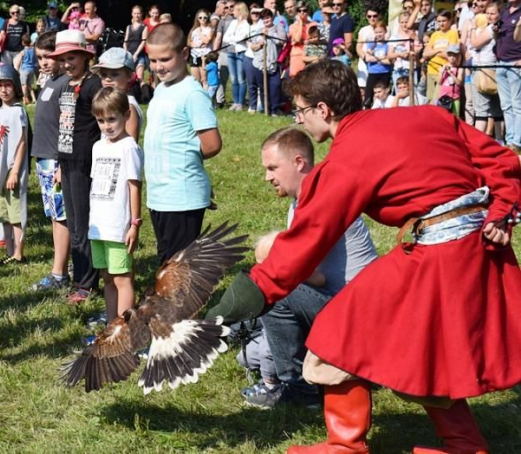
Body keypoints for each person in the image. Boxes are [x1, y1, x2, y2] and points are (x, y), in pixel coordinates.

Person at [207, 59, 521, 453]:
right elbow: (502, 160)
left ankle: (346, 444)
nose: (300, 120)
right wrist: (502, 211)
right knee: (421, 346)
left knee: (338, 328)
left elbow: (308, 239)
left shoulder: (347, 157)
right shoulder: (428, 115)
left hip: (438, 259)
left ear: (323, 110)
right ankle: (464, 444)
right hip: (478, 249)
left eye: (302, 111)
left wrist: (245, 296)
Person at [243, 126, 377, 409]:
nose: (267, 177)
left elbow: (309, 275)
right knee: (250, 352)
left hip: (358, 316)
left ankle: (299, 388)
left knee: (275, 288)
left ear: (299, 162)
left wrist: (272, 259)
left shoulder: (324, 199)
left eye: (272, 167)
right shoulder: (302, 200)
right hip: (336, 303)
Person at [145, 23, 222, 265]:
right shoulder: (162, 89)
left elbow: (211, 144)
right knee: (167, 261)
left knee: (177, 269)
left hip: (181, 195)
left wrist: (185, 159)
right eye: (153, 60)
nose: (158, 67)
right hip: (159, 193)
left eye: (165, 59)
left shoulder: (192, 93)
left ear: (185, 54)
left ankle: (180, 305)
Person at [51, 30, 102, 304]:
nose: (67, 64)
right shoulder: (68, 84)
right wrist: (60, 164)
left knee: (82, 225)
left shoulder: (94, 86)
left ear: (84, 56)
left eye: (72, 58)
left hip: (85, 163)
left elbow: (106, 119)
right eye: (63, 59)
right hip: (67, 161)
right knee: (72, 223)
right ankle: (81, 273)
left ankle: (86, 284)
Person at [88, 87, 143, 322]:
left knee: (123, 279)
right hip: (98, 225)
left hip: (118, 226)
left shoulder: (129, 147)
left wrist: (134, 224)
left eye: (112, 119)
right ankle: (112, 328)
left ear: (126, 114)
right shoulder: (98, 147)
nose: (107, 126)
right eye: (101, 120)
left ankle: (125, 332)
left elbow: (135, 186)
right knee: (107, 277)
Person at [30, 31, 71, 292]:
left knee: (62, 217)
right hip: (44, 159)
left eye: (48, 57)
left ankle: (60, 273)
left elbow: (68, 128)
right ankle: (62, 267)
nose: (44, 62)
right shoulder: (48, 82)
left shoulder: (66, 83)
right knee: (54, 216)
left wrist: (62, 163)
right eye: (39, 58)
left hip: (56, 161)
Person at [0, 65, 28, 264]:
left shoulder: (17, 112)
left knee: (16, 214)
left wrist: (14, 171)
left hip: (12, 172)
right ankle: (9, 252)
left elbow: (21, 143)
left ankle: (19, 253)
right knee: (3, 214)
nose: (3, 90)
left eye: (7, 85)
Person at [92, 47, 143, 141]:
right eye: (104, 75)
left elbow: (129, 144)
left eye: (114, 74)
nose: (107, 79)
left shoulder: (128, 105)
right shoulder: (109, 101)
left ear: (130, 76)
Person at [471, 4, 503, 140]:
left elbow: (475, 43)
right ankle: (500, 140)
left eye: (492, 13)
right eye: (487, 13)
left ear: (499, 14)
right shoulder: (497, 27)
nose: (489, 16)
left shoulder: (492, 28)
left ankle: (477, 142)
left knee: (482, 109)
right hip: (493, 67)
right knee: (496, 109)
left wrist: (472, 27)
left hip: (485, 69)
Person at [495, 0, 521, 152]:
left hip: (516, 64)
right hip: (501, 63)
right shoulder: (504, 11)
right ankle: (510, 140)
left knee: (518, 105)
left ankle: (518, 142)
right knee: (506, 106)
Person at [422, 10, 458, 104]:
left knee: (438, 98)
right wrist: (439, 50)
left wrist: (433, 52)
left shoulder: (452, 33)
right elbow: (425, 53)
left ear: (450, 21)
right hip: (431, 69)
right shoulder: (434, 34)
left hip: (443, 70)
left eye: (444, 21)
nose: (441, 24)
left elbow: (450, 55)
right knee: (430, 98)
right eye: (439, 21)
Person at [223, 2, 250, 110]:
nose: (232, 11)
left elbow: (242, 37)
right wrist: (234, 39)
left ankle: (240, 102)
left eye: (234, 9)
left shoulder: (246, 24)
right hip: (231, 52)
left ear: (239, 10)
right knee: (233, 78)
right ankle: (235, 102)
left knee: (241, 78)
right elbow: (225, 37)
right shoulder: (233, 22)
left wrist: (233, 39)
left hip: (241, 52)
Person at [363, 21, 393, 108]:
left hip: (385, 72)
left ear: (385, 32)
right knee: (369, 94)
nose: (378, 34)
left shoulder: (388, 45)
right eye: (376, 32)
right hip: (373, 73)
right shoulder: (371, 44)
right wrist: (382, 58)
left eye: (380, 32)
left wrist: (375, 57)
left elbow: (389, 61)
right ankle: (367, 108)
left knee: (384, 94)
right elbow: (368, 58)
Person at [212, 0, 235, 108]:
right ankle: (220, 101)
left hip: (238, 52)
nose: (229, 9)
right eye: (226, 7)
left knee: (237, 79)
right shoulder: (223, 21)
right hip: (224, 52)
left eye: (232, 6)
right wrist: (215, 52)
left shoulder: (243, 20)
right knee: (222, 78)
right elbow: (218, 37)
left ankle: (237, 101)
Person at [355, 5, 380, 92]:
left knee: (378, 89)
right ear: (366, 17)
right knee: (363, 90)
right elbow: (358, 47)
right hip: (364, 63)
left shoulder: (385, 29)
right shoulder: (363, 30)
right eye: (369, 16)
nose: (372, 18)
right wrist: (365, 58)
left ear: (379, 16)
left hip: (379, 64)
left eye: (375, 16)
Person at [288, 2, 316, 77]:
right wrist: (300, 23)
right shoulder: (292, 26)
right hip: (296, 57)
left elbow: (316, 40)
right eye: (299, 11)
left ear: (308, 12)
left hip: (310, 56)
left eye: (304, 10)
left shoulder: (313, 25)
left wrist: (305, 42)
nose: (302, 12)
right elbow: (297, 39)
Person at [124, 5, 149, 84]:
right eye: (135, 13)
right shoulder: (129, 27)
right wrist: (126, 52)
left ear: (141, 14)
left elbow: (143, 41)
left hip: (139, 55)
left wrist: (136, 54)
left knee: (139, 77)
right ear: (132, 14)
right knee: (127, 77)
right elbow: (125, 41)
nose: (137, 15)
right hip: (129, 54)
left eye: (138, 13)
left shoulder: (144, 27)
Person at [189, 9, 214, 84]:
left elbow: (207, 40)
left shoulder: (210, 29)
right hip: (194, 55)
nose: (202, 19)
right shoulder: (193, 29)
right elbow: (189, 41)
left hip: (205, 55)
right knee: (196, 80)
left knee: (204, 79)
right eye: (200, 17)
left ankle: (206, 94)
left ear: (207, 18)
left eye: (204, 17)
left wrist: (200, 33)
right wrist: (194, 44)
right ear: (197, 18)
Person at [438, 44, 464, 115]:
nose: (452, 57)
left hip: (455, 97)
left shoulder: (459, 69)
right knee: (443, 117)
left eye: (454, 55)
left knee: (455, 117)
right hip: (444, 97)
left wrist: (451, 73)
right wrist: (441, 72)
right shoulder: (444, 66)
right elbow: (439, 82)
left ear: (458, 56)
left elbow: (459, 83)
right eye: (450, 55)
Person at [13, 34, 36, 105]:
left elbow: (18, 62)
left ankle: (25, 99)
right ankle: (34, 98)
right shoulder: (33, 51)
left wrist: (16, 70)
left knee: (24, 85)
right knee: (30, 85)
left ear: (22, 42)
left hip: (24, 69)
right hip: (31, 69)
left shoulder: (22, 52)